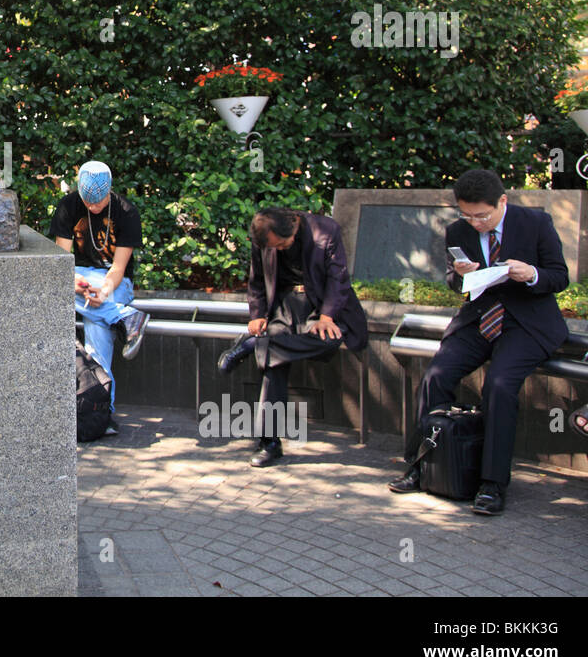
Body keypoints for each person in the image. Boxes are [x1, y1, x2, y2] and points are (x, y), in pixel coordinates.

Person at [389, 169, 568, 515]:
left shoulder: (536, 223)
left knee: (499, 385)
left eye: (482, 215)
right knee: (436, 376)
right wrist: (461, 276)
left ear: (502, 201)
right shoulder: (458, 231)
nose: (474, 222)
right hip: (478, 320)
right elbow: (454, 284)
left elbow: (559, 276)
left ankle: (492, 483)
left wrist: (531, 274)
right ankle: (421, 463)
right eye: (466, 215)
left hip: (526, 322)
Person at [218, 207, 368, 467]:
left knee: (326, 340)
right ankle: (269, 443)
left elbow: (338, 277)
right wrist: (257, 314)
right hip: (284, 306)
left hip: (320, 306)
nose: (280, 250)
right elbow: (256, 279)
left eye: (283, 244)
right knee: (273, 363)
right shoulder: (263, 239)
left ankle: (254, 345)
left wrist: (327, 316)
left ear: (294, 226)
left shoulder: (325, 230)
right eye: (273, 248)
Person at [49, 161, 149, 427]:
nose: (93, 207)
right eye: (88, 202)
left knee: (96, 324)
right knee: (88, 315)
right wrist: (73, 281)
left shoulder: (126, 211)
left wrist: (103, 292)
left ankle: (100, 410)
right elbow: (62, 261)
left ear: (110, 191)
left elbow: (118, 268)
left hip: (116, 283)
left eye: (99, 202)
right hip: (79, 279)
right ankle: (125, 318)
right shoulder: (68, 206)